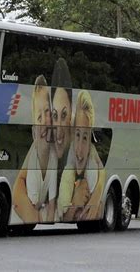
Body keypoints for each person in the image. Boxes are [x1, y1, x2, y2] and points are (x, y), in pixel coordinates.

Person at [12, 75, 57, 223]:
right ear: (33, 132)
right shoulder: (34, 152)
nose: (44, 121)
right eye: (39, 118)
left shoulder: (55, 152)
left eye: (47, 113)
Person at [57, 90, 106, 221]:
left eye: (85, 138)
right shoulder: (69, 158)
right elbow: (63, 219)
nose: (79, 149)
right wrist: (74, 203)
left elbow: (102, 170)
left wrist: (96, 195)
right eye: (77, 134)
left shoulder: (92, 165)